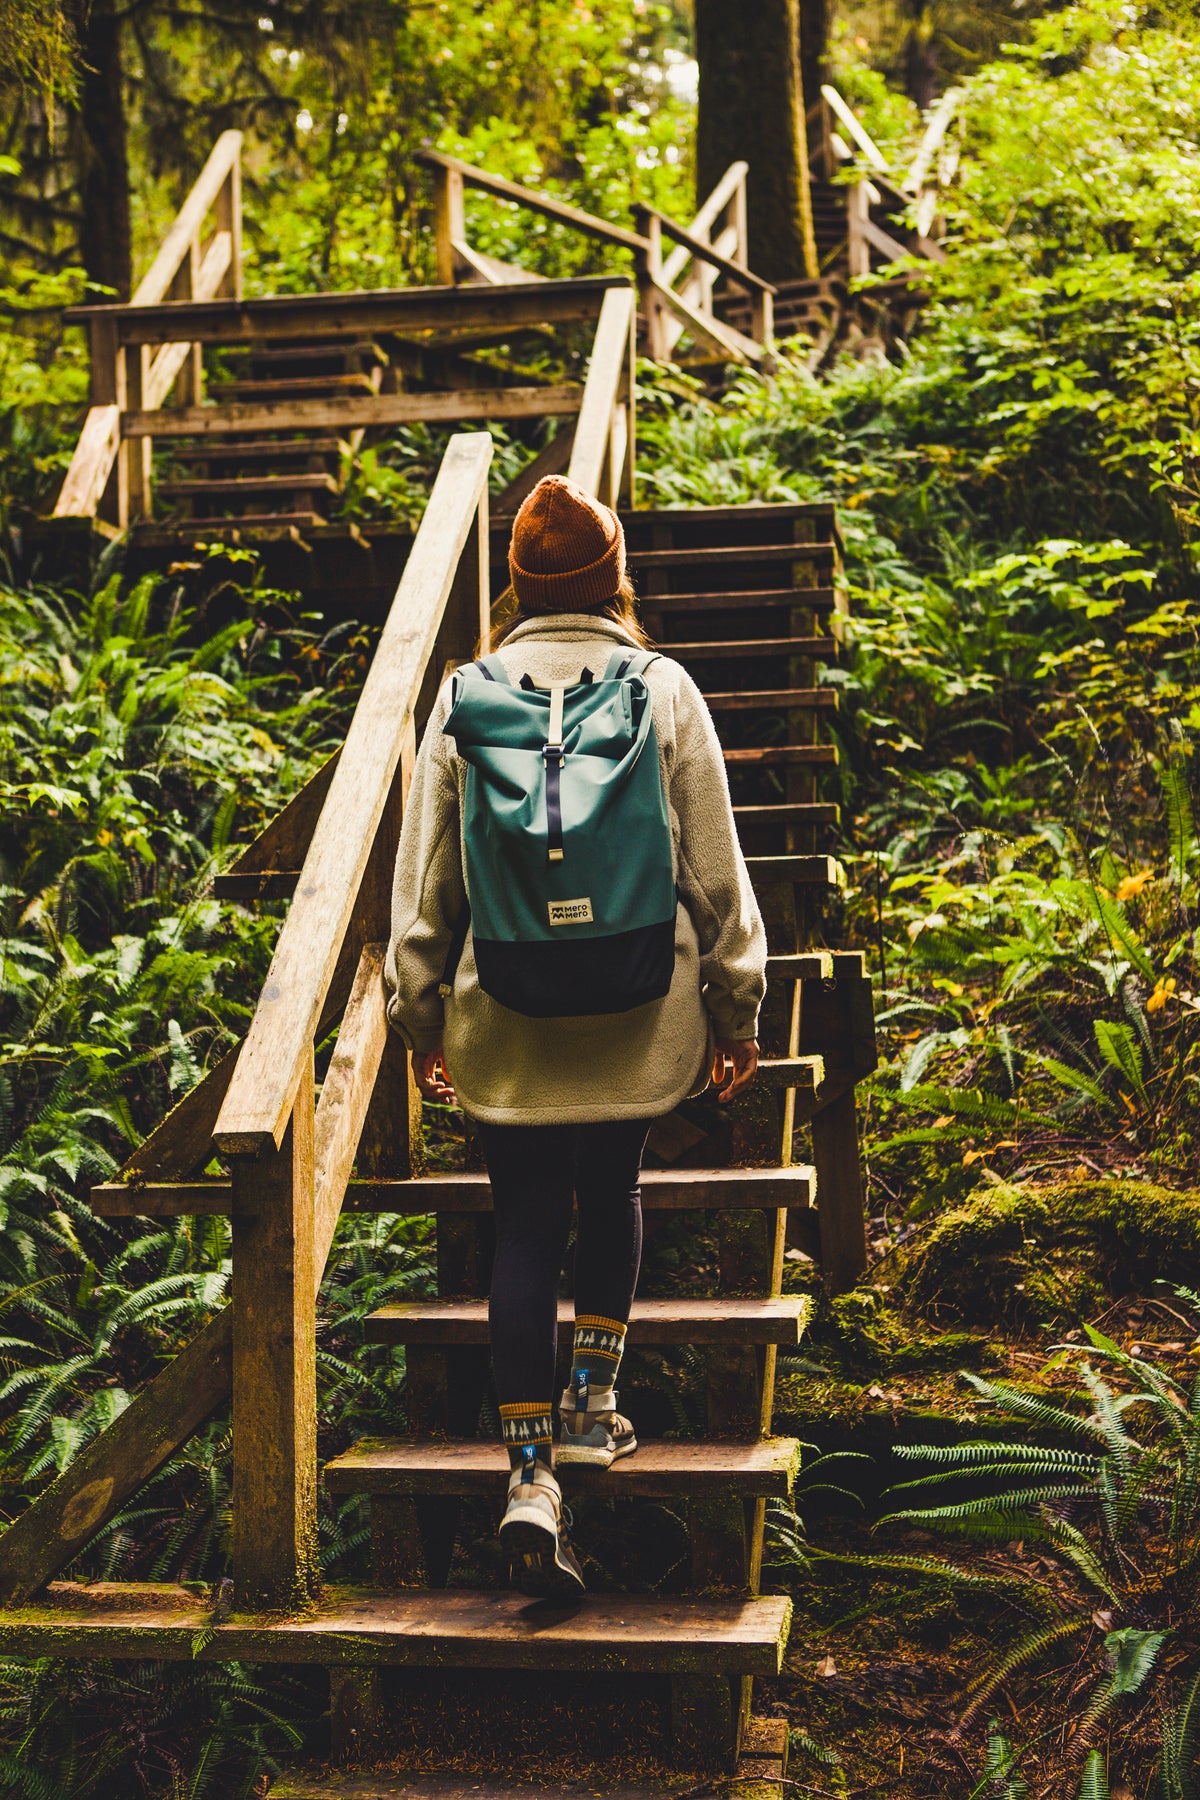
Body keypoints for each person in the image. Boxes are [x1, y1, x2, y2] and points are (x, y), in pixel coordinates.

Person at [384, 475, 766, 1600]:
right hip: (642, 1005)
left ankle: (530, 1477)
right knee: (618, 1188)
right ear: (617, 579)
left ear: (516, 583)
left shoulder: (464, 696)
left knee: (522, 1226)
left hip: (503, 1013)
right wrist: (735, 1006)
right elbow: (716, 869)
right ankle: (597, 1406)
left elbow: (427, 887)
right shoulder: (662, 687)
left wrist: (422, 1018)